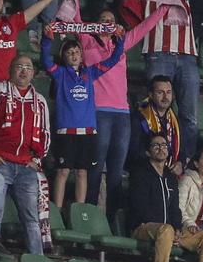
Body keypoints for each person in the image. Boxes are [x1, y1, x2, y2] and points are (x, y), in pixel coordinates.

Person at [134, 0, 203, 154]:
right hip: (158, 53)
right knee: (154, 110)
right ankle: (152, 156)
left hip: (187, 57)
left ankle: (182, 162)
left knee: (190, 117)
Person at [40, 27, 135, 208]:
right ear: (64, 56)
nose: (74, 55)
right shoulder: (60, 74)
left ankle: (80, 211)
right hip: (66, 130)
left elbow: (114, 59)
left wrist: (120, 40)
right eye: (70, 52)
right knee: (63, 172)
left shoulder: (90, 73)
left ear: (82, 55)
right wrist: (47, 40)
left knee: (83, 172)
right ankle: (58, 210)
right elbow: (45, 60)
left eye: (77, 52)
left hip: (88, 131)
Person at [0, 55, 51, 257]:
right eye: (19, 66)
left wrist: (37, 159)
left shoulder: (40, 101)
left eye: (28, 67)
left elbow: (45, 133)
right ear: (10, 70)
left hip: (26, 166)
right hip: (0, 160)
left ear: (33, 73)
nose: (23, 71)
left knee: (32, 217)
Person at [127, 134, 203, 262]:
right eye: (156, 145)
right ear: (148, 152)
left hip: (169, 231)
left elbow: (175, 208)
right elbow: (139, 207)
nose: (161, 148)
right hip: (143, 227)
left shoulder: (170, 178)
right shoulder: (140, 173)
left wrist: (177, 230)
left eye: (164, 145)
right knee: (166, 230)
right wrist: (168, 229)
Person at [135, 75, 184, 176]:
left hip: (170, 171)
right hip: (146, 171)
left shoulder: (175, 120)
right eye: (160, 92)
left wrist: (180, 163)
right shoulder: (140, 118)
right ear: (151, 95)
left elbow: (182, 149)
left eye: (168, 92)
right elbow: (135, 151)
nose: (165, 97)